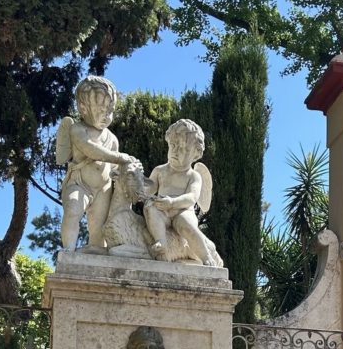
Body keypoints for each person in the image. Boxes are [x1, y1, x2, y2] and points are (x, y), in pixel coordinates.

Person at [57, 76, 135, 253]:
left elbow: (115, 171)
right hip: (79, 183)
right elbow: (91, 149)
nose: (107, 115)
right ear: (83, 108)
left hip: (103, 189)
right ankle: (68, 251)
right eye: (102, 109)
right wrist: (120, 158)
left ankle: (96, 257)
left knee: (99, 232)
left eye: (110, 110)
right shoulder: (77, 129)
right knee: (72, 212)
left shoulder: (112, 139)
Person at [144, 119, 223, 266]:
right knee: (150, 208)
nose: (175, 151)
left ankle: (206, 257)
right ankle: (160, 241)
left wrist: (173, 202)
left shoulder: (193, 176)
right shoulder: (160, 171)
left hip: (183, 210)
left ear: (195, 154)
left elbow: (192, 198)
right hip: (163, 208)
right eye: (173, 146)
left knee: (186, 225)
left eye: (183, 149)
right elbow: (148, 189)